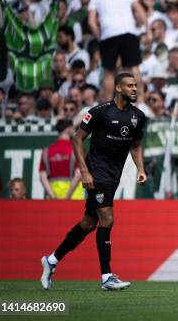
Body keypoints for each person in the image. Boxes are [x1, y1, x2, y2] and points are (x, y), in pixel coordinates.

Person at [40, 72, 147, 291]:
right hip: (97, 172)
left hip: (113, 175)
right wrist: (84, 171)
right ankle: (106, 277)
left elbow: (135, 145)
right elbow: (77, 139)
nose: (135, 89)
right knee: (107, 219)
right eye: (130, 85)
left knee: (88, 224)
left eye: (136, 85)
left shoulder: (138, 116)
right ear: (118, 88)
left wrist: (141, 169)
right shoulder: (100, 112)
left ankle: (51, 260)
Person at [88, 0, 147, 99]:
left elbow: (91, 22)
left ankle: (109, 105)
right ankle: (140, 102)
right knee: (134, 68)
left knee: (109, 72)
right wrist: (147, 28)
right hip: (128, 32)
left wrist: (100, 37)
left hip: (108, 34)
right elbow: (140, 11)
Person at [39, 119, 83, 200]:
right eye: (73, 128)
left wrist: (52, 196)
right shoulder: (76, 149)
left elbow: (43, 177)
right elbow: (78, 174)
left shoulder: (46, 151)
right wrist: (67, 196)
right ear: (69, 129)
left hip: (53, 196)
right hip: (74, 196)